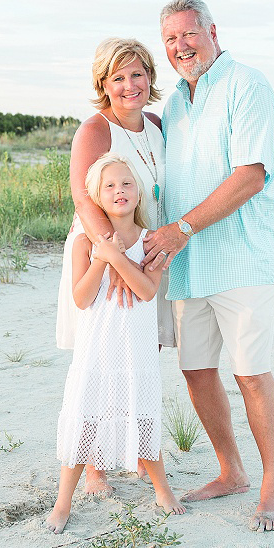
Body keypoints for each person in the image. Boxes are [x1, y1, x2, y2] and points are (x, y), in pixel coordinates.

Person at [142, 0, 274, 532]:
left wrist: (181, 228)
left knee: (250, 373)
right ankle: (232, 471)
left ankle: (273, 484)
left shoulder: (247, 85)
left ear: (211, 31)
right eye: (170, 41)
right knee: (197, 372)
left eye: (188, 35)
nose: (180, 47)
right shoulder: (177, 103)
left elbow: (251, 174)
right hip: (188, 266)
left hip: (243, 257)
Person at [56, 37, 174, 494]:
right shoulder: (95, 128)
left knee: (142, 350)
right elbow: (85, 199)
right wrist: (114, 256)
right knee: (102, 357)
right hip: (104, 251)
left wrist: (143, 254)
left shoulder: (158, 125)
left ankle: (137, 448)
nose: (130, 85)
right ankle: (95, 466)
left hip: (146, 245)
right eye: (118, 77)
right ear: (103, 83)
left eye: (137, 74)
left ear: (150, 77)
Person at [46, 154, 185, 534]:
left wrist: (117, 257)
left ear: (139, 193)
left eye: (126, 183)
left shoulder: (150, 241)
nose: (119, 191)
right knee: (85, 416)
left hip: (136, 349)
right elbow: (81, 297)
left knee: (142, 415)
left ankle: (162, 489)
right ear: (97, 197)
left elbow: (145, 290)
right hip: (96, 348)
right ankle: (63, 502)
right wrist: (101, 257)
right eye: (109, 186)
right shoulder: (83, 243)